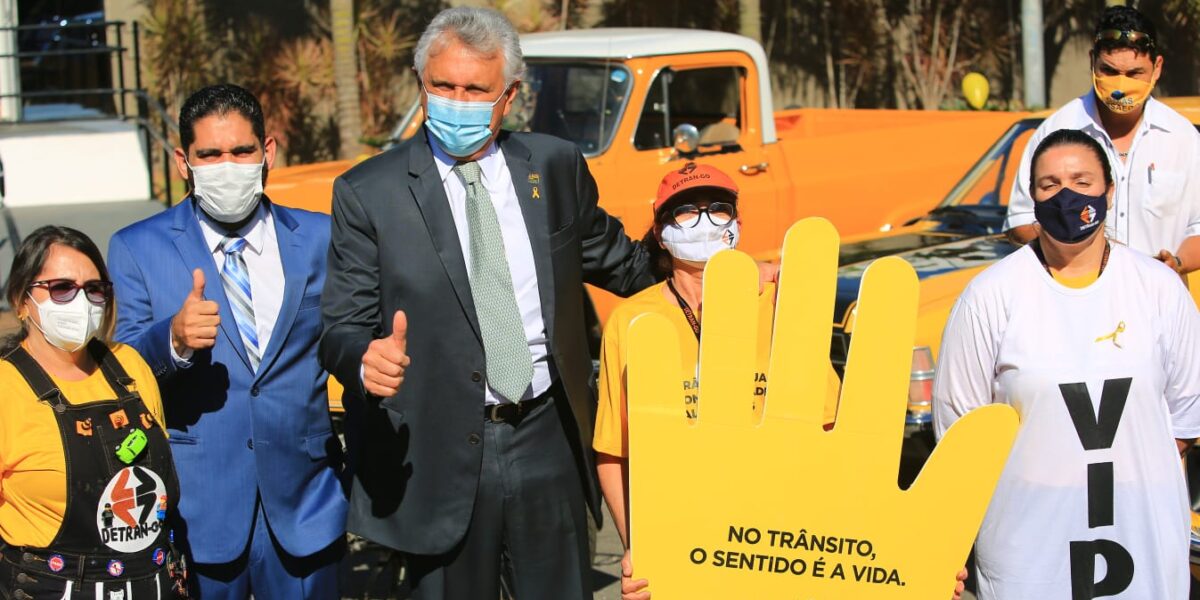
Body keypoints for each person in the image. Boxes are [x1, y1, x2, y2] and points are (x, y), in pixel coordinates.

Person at [318, 7, 664, 599]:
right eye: (442, 86)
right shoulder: (368, 193)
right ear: (421, 85)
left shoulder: (552, 167)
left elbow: (627, 266)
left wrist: (719, 271)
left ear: (508, 97)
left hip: (546, 434)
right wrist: (362, 359)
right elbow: (341, 326)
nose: (457, 100)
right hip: (437, 448)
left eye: (475, 89)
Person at [935, 129, 1200, 598]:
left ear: (1109, 190)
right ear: (1032, 198)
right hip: (1029, 548)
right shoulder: (989, 296)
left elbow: (1183, 420)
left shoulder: (1159, 289)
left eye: (1081, 180)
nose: (1066, 195)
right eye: (1049, 185)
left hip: (1140, 541)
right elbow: (960, 440)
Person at [107, 84, 346, 598]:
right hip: (201, 508)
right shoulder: (136, 247)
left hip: (306, 503)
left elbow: (347, 337)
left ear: (268, 153)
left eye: (241, 151)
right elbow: (123, 368)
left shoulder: (321, 237)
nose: (228, 165)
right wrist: (171, 338)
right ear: (183, 162)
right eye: (209, 154)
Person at [592, 163, 842, 600]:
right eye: (685, 210)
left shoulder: (781, 303)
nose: (704, 221)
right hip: (684, 539)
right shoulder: (631, 320)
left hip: (781, 538)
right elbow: (614, 451)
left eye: (719, 209)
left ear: (738, 223)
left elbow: (830, 429)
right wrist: (639, 545)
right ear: (660, 229)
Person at [0, 226, 183, 598]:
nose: (81, 301)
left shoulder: (129, 366)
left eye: (94, 289)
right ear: (22, 299)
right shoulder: (6, 386)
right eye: (62, 288)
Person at [1004, 5, 1200, 281]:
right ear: (1092, 61)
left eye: (1134, 73)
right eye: (1108, 70)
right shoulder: (1057, 130)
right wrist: (1070, 238)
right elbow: (1019, 222)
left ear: (1156, 69)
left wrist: (1176, 263)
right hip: (1075, 301)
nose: (1120, 86)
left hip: (1159, 306)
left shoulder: (1184, 138)